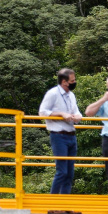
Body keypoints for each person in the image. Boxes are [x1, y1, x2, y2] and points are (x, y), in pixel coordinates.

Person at [38, 68, 82, 206]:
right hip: (58, 135)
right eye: (72, 81)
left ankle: (64, 205)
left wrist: (77, 117)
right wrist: (61, 114)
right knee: (62, 171)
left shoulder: (71, 95)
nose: (74, 83)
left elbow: (77, 113)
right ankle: (53, 204)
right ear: (64, 82)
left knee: (69, 173)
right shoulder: (52, 93)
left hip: (71, 135)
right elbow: (42, 112)